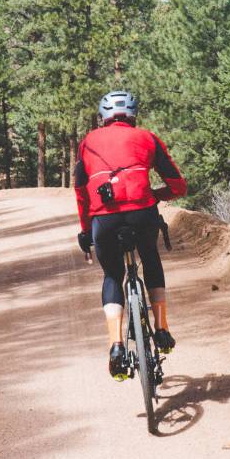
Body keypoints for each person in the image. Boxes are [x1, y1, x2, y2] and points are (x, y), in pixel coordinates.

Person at [74, 90, 187, 380]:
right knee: (149, 258)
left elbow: (81, 192)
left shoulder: (88, 142)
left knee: (112, 276)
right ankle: (161, 329)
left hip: (105, 221)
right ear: (133, 115)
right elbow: (178, 185)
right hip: (142, 214)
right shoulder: (147, 138)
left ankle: (116, 346)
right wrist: (154, 194)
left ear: (103, 117)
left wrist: (86, 231)